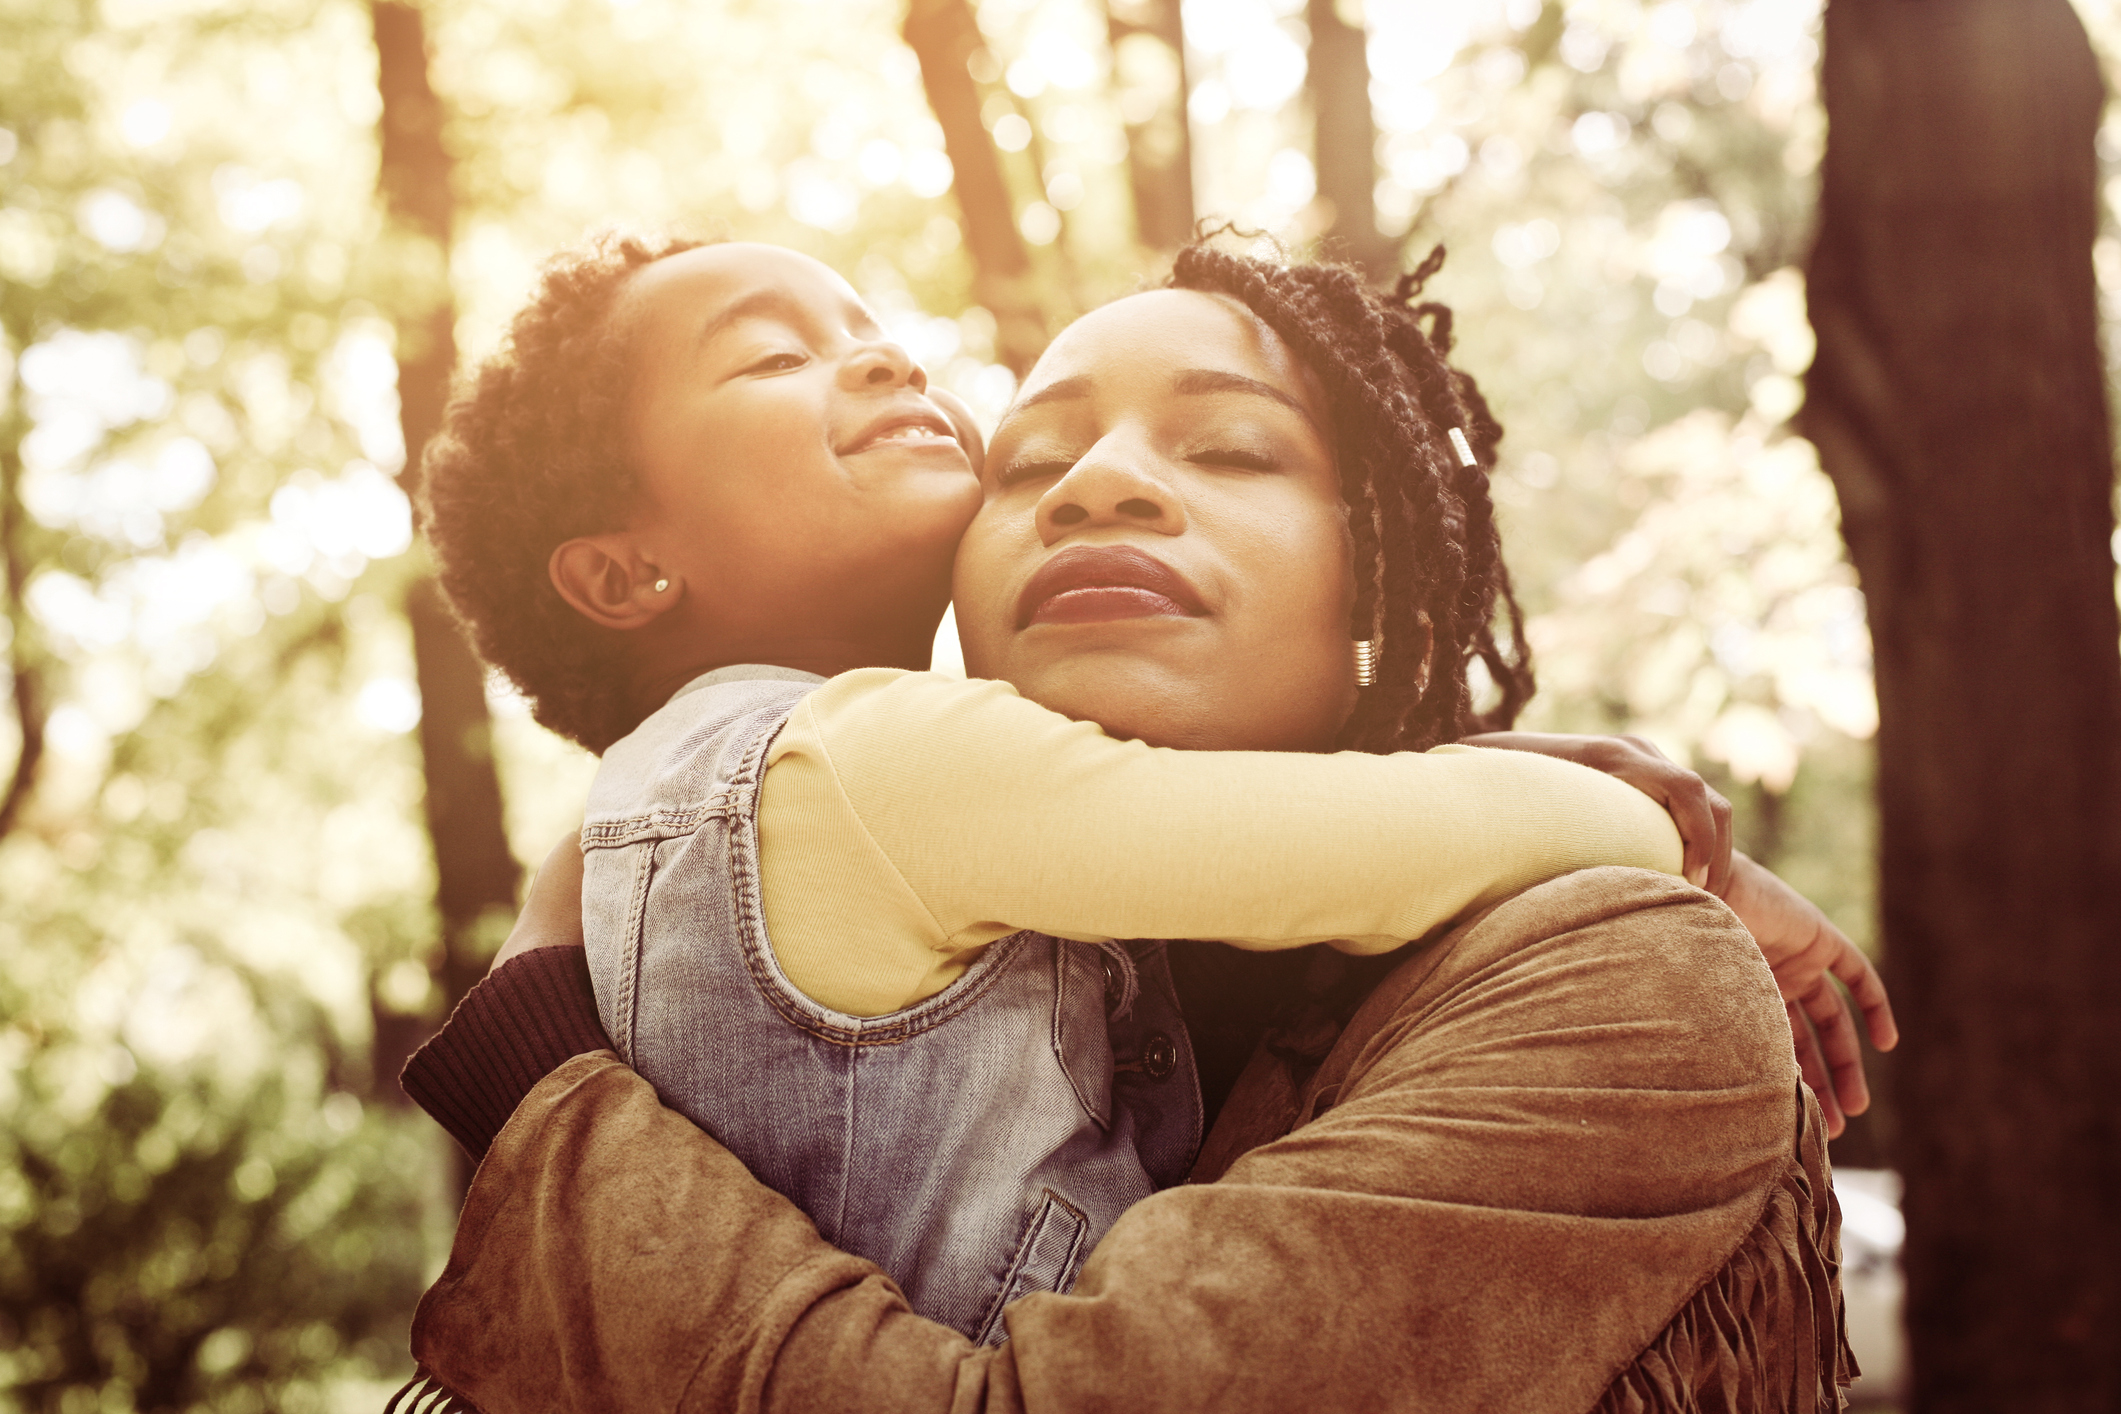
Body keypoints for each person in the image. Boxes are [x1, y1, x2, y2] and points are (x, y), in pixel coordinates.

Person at [391, 241, 1889, 1411]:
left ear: (1385, 592)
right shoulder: (907, 801)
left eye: (1232, 450)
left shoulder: (1614, 983)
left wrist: (543, 1073)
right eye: (1028, 465)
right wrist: (1625, 808)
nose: (1099, 482)